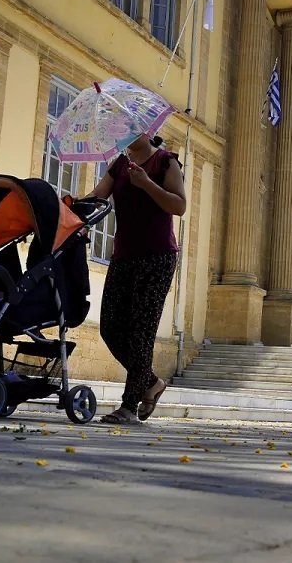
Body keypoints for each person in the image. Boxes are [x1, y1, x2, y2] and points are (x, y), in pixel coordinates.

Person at [85, 133, 186, 424]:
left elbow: (179, 206)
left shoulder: (165, 162)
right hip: (123, 256)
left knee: (140, 332)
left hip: (157, 257)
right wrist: (70, 209)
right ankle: (152, 383)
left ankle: (129, 406)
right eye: (122, 128)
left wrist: (146, 184)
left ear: (147, 130)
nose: (126, 133)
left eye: (131, 127)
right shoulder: (119, 165)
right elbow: (96, 198)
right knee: (111, 328)